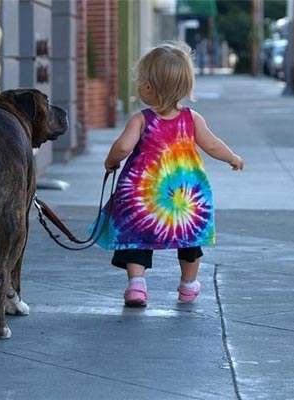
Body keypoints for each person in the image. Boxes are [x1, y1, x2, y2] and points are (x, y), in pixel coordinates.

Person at [93, 43, 244, 307]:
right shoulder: (191, 118)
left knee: (136, 240)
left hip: (143, 198)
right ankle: (188, 286)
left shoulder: (141, 120)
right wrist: (232, 157)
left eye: (140, 81)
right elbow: (211, 144)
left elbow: (124, 147)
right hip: (184, 198)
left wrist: (110, 161)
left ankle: (137, 286)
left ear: (149, 87)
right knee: (189, 241)